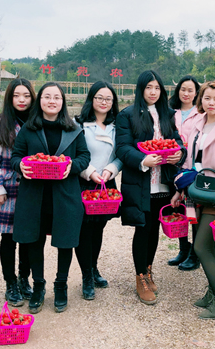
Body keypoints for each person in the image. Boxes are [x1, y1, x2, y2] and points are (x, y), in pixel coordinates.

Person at [11, 82, 90, 314]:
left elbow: (85, 156)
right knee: (34, 240)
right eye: (47, 97)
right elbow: (16, 156)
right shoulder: (29, 128)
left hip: (65, 195)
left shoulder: (74, 129)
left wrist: (72, 166)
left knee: (65, 241)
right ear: (40, 101)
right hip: (34, 195)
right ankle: (38, 286)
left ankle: (61, 285)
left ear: (63, 101)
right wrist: (21, 166)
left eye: (57, 97)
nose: (52, 101)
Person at [171, 80, 215, 319]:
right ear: (200, 100)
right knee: (206, 247)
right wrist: (180, 189)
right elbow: (189, 160)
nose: (211, 103)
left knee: (200, 245)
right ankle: (213, 293)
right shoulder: (197, 123)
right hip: (196, 190)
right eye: (207, 98)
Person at [116, 70, 184, 305]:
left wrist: (179, 153)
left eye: (157, 88)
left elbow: (177, 140)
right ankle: (140, 277)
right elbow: (122, 148)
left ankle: (148, 269)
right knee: (142, 228)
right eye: (148, 88)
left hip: (163, 180)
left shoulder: (167, 114)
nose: (153, 92)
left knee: (154, 227)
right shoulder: (127, 115)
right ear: (140, 89)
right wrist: (142, 160)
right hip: (141, 180)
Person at [0, 78, 35, 307]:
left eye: (26, 95)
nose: (22, 100)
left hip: (33, 187)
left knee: (29, 237)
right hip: (7, 186)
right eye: (16, 95)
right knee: (8, 238)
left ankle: (25, 278)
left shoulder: (37, 121)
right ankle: (10, 283)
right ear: (9, 98)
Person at [74, 81, 123, 300]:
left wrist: (111, 170)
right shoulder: (78, 124)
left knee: (99, 227)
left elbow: (121, 154)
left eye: (108, 99)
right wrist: (90, 172)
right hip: (84, 181)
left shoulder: (117, 126)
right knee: (84, 229)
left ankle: (94, 268)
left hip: (106, 183)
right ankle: (86, 277)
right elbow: (75, 153)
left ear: (113, 103)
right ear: (91, 99)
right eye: (99, 97)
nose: (104, 102)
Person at [167, 75, 201, 271]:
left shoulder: (201, 114)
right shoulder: (171, 113)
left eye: (190, 90)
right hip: (173, 168)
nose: (186, 93)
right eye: (183, 89)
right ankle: (183, 248)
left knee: (192, 211)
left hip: (191, 170)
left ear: (196, 93)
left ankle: (194, 254)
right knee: (177, 210)